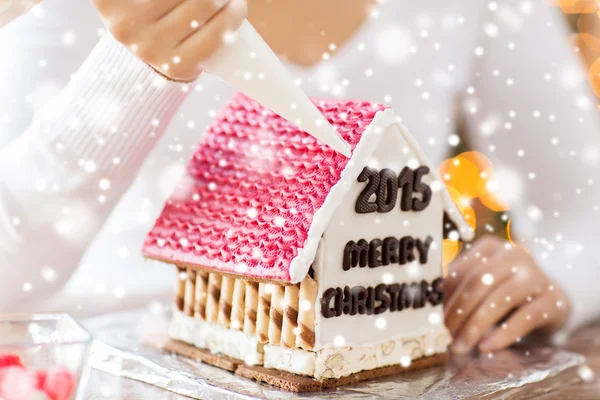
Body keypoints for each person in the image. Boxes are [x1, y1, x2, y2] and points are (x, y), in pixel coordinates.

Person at [1, 0, 598, 356]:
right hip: (112, 367)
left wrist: (559, 280)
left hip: (369, 364)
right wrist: (133, 70)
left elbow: (586, 206)